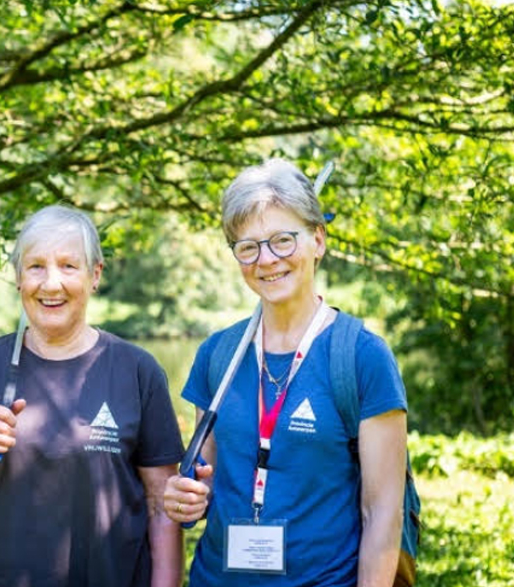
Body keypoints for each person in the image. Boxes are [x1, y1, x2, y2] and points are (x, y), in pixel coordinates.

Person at [163, 159, 408, 587]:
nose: (267, 259)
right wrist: (184, 500)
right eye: (249, 246)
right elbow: (203, 478)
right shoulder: (217, 355)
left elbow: (382, 513)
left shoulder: (363, 358)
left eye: (282, 240)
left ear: (318, 239)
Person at [0, 204, 185, 587]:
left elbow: (161, 506)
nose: (51, 283)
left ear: (95, 275)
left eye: (69, 266)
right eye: (36, 266)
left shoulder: (138, 370)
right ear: (19, 277)